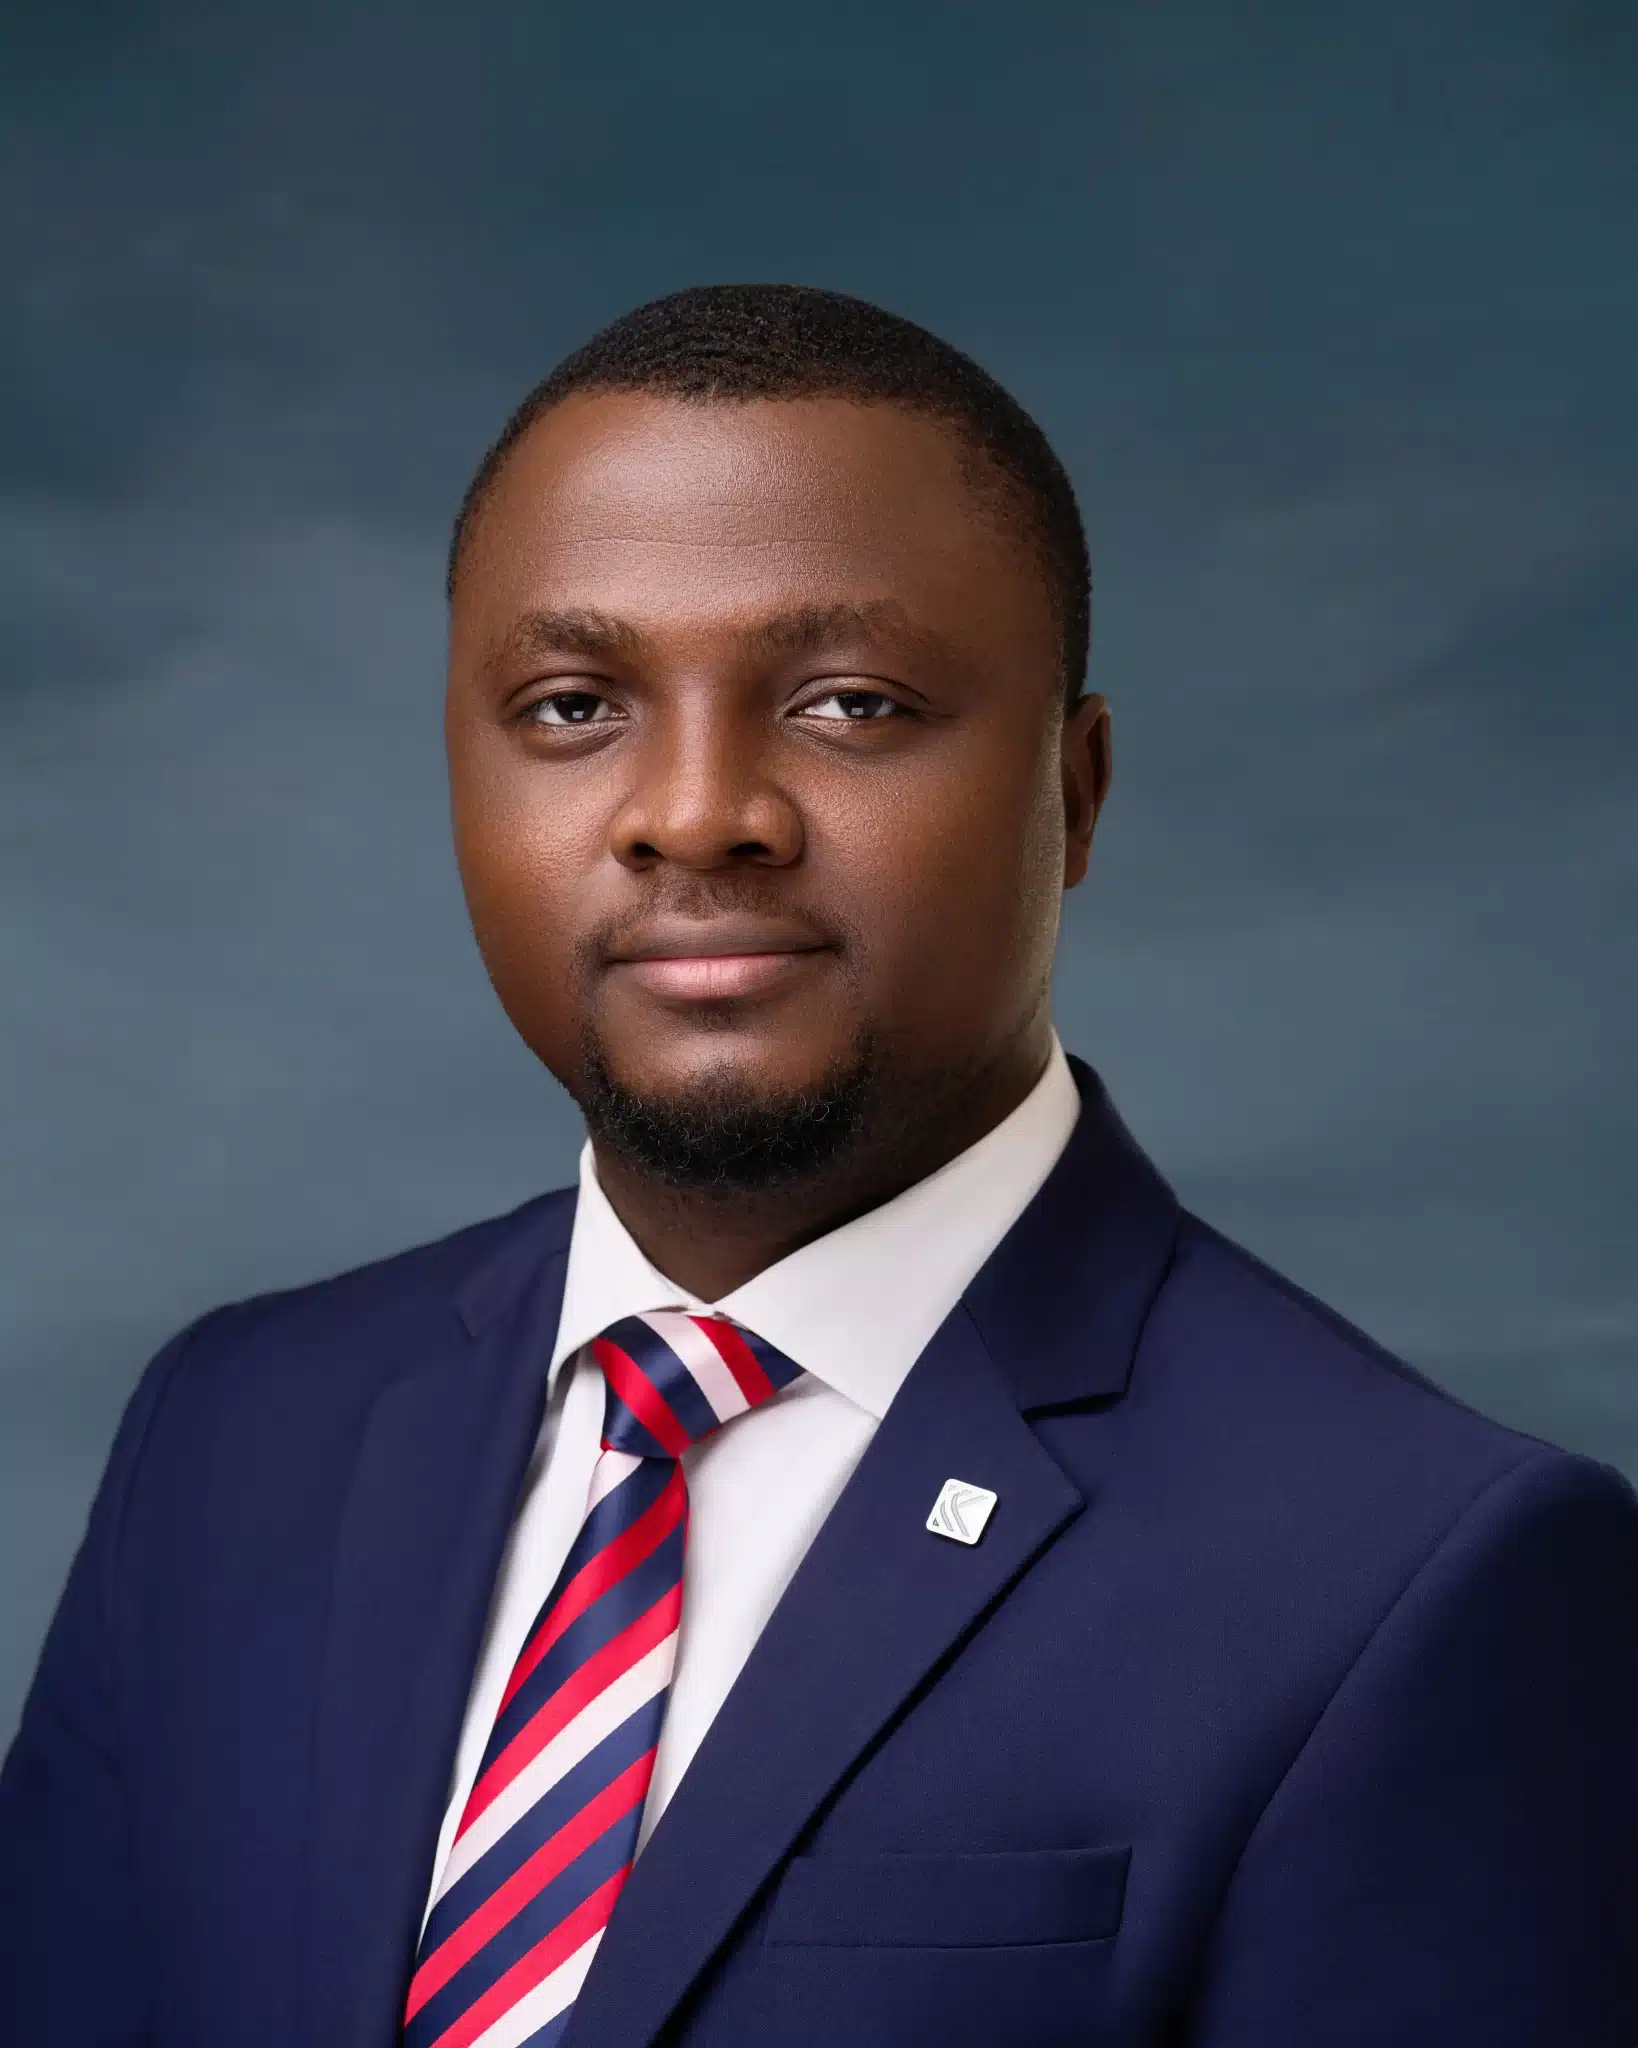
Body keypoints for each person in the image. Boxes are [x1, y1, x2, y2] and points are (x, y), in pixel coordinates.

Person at [1, 284, 1634, 2048]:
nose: (696, 809)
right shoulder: (238, 1433)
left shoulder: (1418, 1576)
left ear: (1071, 797)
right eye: (569, 705)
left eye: (850, 702)